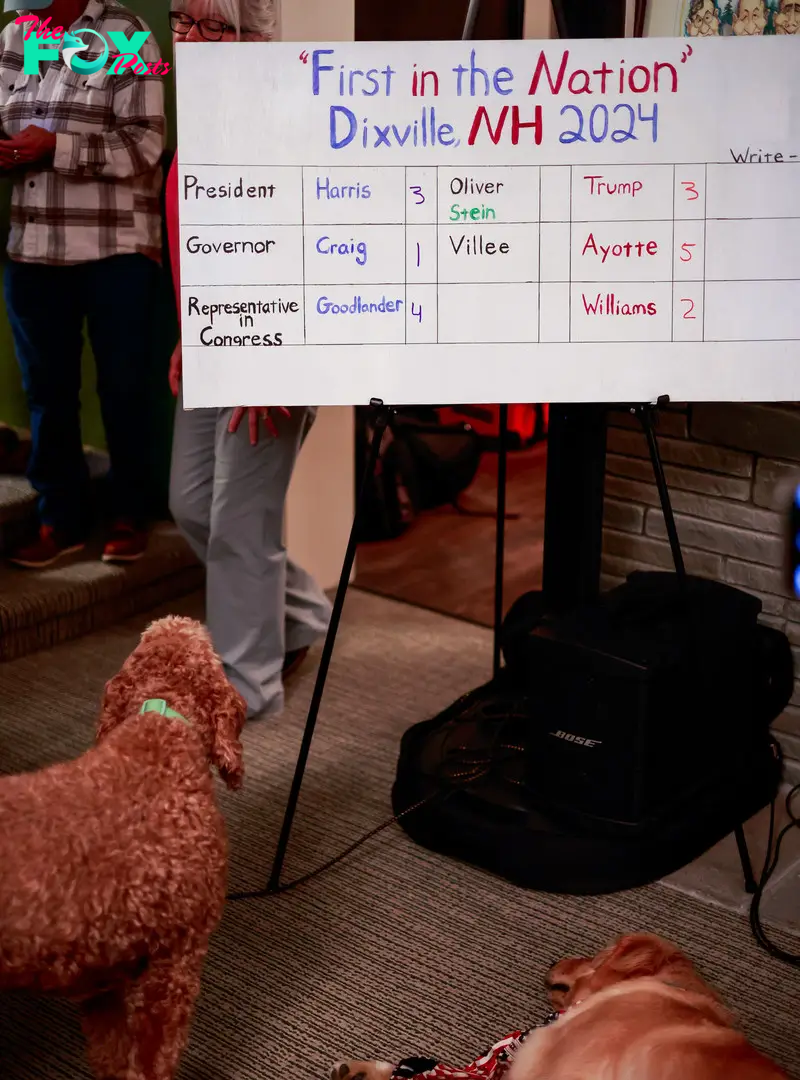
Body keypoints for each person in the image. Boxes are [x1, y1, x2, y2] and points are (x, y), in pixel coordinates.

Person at [166, 0, 332, 720]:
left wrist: (272, 359)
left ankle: (244, 689)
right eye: (184, 19)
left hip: (273, 354)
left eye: (217, 26)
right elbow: (202, 245)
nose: (195, 38)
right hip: (211, 339)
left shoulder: (286, 124)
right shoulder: (198, 114)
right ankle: (300, 613)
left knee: (240, 520)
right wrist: (189, 330)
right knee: (191, 501)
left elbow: (313, 249)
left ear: (258, 38)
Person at [0, 0, 166, 567]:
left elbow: (145, 144)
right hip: (33, 248)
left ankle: (129, 513)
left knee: (123, 389)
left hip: (115, 248)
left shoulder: (126, 34)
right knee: (46, 393)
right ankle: (59, 520)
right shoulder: (15, 35)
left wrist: (57, 147)